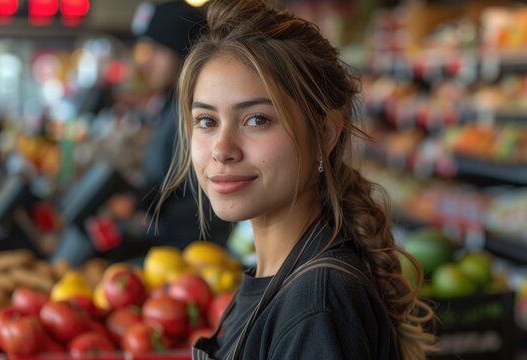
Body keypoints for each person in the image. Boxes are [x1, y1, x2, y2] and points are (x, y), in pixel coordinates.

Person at [158, 0, 436, 359]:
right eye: (207, 121)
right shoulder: (279, 278)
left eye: (256, 119)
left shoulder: (318, 305)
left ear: (325, 133)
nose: (222, 149)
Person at [51, 0, 231, 266]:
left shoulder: (194, 112)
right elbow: (172, 183)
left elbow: (201, 200)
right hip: (171, 247)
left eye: (157, 50)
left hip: (190, 255)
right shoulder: (171, 105)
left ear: (184, 52)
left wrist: (142, 209)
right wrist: (138, 203)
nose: (146, 62)